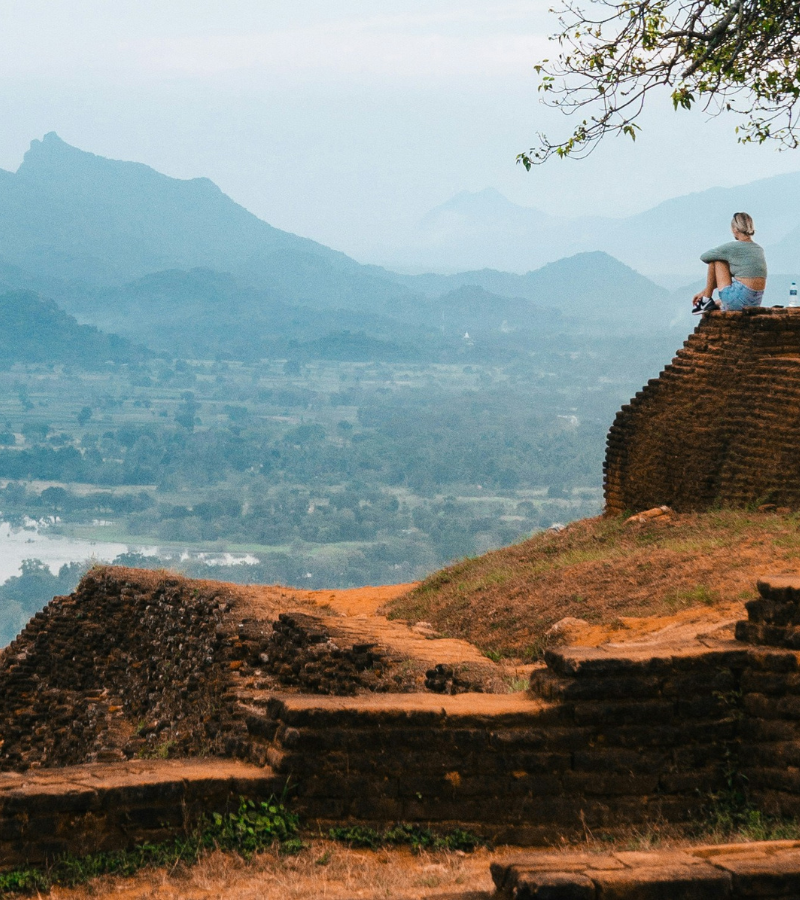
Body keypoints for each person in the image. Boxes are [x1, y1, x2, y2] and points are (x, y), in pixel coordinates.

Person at [692, 212, 767, 314]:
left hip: (739, 298)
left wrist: (727, 260)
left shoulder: (734, 247)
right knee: (718, 303)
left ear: (735, 229)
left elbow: (705, 257)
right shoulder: (759, 249)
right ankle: (707, 298)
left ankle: (705, 300)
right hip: (755, 302)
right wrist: (704, 291)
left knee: (716, 260)